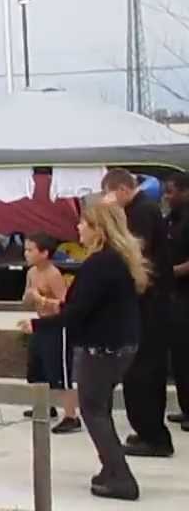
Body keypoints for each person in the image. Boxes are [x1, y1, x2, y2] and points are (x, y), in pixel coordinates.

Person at [41, 202, 149, 501]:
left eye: (83, 223)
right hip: (121, 343)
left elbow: (78, 311)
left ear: (98, 229)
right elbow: (92, 303)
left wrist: (39, 325)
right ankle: (110, 469)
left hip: (101, 347)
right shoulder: (119, 260)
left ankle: (121, 477)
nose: (78, 228)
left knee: (93, 411)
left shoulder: (99, 263)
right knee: (100, 409)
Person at [101, 169, 174, 457]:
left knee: (144, 370)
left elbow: (135, 253)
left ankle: (154, 436)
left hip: (151, 302)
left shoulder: (142, 212)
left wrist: (109, 217)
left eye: (109, 193)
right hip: (146, 302)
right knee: (139, 370)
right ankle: (146, 430)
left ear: (121, 189)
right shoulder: (141, 209)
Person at [18, 233, 82, 434]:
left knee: (59, 371)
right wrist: (30, 297)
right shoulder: (32, 273)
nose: (26, 253)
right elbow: (27, 298)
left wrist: (42, 299)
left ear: (44, 253)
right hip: (41, 324)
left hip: (57, 327)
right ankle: (45, 405)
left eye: (31, 250)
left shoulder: (53, 274)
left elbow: (64, 305)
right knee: (38, 368)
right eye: (26, 250)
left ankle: (71, 416)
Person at [163, 172, 189, 432]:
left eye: (171, 192)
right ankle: (186, 408)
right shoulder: (171, 219)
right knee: (179, 356)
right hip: (173, 296)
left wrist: (169, 272)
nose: (167, 197)